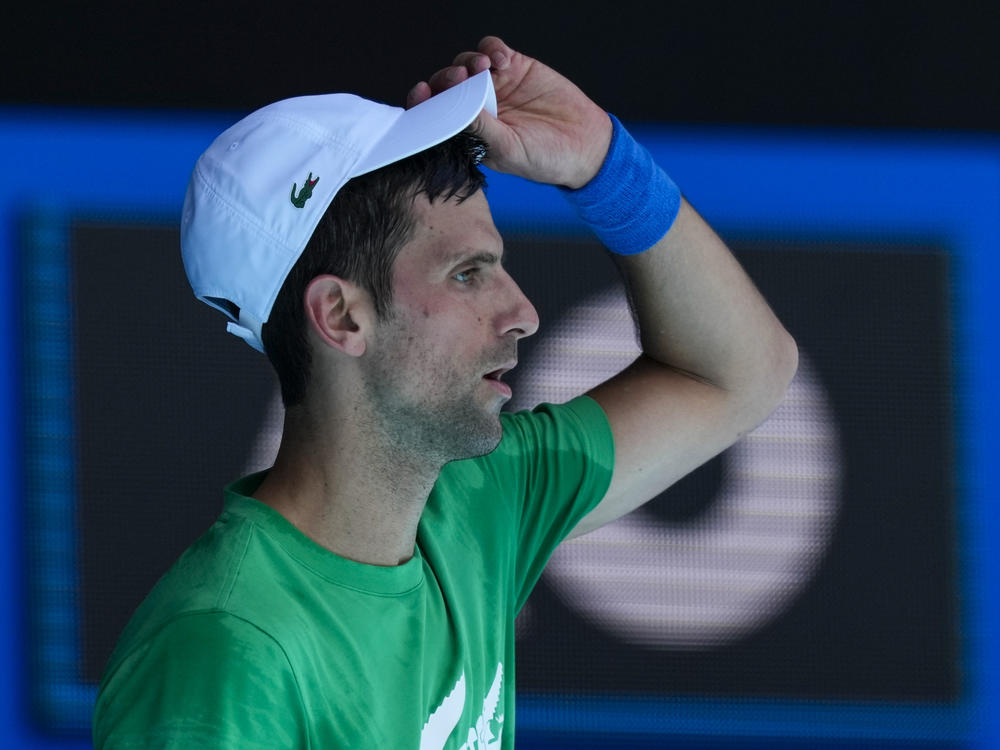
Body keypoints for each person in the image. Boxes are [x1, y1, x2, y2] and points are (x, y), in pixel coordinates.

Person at [92, 36, 797, 749]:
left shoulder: (478, 502)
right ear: (343, 316)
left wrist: (603, 165)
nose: (522, 312)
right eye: (467, 274)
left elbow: (739, 374)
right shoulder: (224, 652)